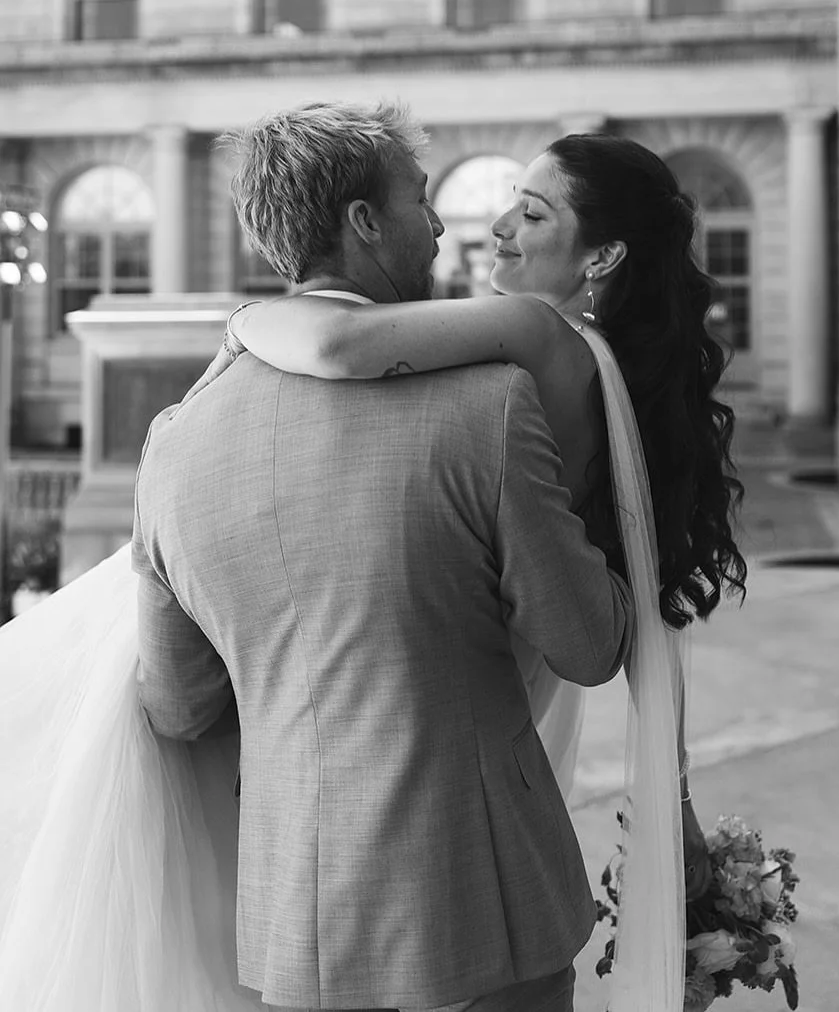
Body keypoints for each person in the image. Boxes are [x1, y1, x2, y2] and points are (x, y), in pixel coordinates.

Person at [0, 102, 636, 1012]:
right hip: (489, 906)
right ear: (364, 221)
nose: (439, 225)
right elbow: (588, 644)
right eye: (419, 199)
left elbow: (178, 706)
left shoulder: (175, 447)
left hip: (296, 922)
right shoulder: (491, 405)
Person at [223, 126, 747, 1008]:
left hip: (461, 664)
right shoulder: (620, 376)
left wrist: (239, 322)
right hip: (522, 660)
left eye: (532, 213)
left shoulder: (533, 334)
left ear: (602, 256)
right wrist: (674, 796)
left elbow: (338, 345)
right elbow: (650, 607)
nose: (499, 227)